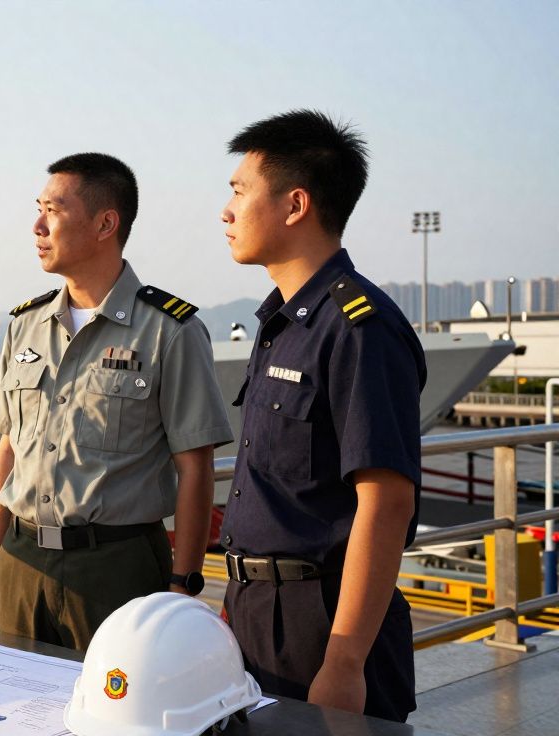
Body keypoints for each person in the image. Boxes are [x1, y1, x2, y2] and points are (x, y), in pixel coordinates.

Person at [217, 110, 426, 721]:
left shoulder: (359, 328)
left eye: (239, 191)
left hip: (325, 624)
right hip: (258, 614)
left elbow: (385, 504)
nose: (225, 211)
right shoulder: (280, 323)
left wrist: (344, 663)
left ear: (295, 204)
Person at [0, 152, 232, 650]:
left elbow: (196, 467)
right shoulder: (24, 325)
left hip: (117, 570)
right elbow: (9, 450)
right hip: (22, 560)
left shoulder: (169, 331)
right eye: (38, 208)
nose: (37, 225)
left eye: (53, 209)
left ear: (104, 223)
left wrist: (183, 585)